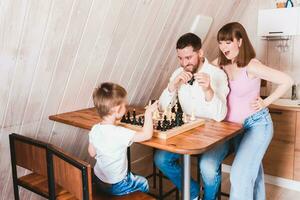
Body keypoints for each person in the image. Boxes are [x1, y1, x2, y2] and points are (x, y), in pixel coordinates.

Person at [214, 22, 293, 200]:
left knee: (239, 176)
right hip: (235, 129)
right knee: (252, 174)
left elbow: (287, 80)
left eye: (228, 42)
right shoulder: (221, 63)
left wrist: (266, 102)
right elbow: (203, 69)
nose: (223, 47)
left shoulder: (252, 65)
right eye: (220, 42)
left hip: (257, 125)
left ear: (239, 42)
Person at [154, 32, 229, 200]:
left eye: (188, 57)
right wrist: (172, 86)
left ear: (200, 53)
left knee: (208, 168)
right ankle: (194, 193)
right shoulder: (178, 74)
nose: (184, 63)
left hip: (216, 133)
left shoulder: (218, 74)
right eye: (180, 58)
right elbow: (161, 107)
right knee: (161, 159)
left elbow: (220, 116)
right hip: (188, 130)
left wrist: (208, 90)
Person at [88, 82, 158, 196]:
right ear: (117, 110)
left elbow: (91, 153)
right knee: (143, 183)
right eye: (125, 105)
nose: (126, 107)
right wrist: (148, 113)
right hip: (117, 184)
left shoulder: (95, 129)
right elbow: (146, 135)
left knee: (130, 176)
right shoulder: (119, 133)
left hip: (99, 179)